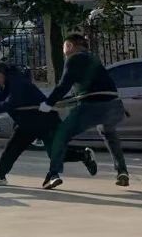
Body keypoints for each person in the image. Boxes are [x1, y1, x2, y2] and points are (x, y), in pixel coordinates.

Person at [0, 62, 97, 186]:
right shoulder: (1, 88)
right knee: (11, 150)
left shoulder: (18, 82)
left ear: (1, 75)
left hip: (46, 121)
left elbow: (10, 103)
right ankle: (0, 176)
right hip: (26, 124)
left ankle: (83, 155)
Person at [41, 34, 130, 190]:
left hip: (92, 106)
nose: (63, 51)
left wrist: (48, 103)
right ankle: (122, 171)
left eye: (64, 47)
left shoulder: (73, 59)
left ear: (69, 46)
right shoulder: (93, 59)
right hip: (114, 105)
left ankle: (53, 175)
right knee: (110, 135)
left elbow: (64, 85)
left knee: (61, 135)